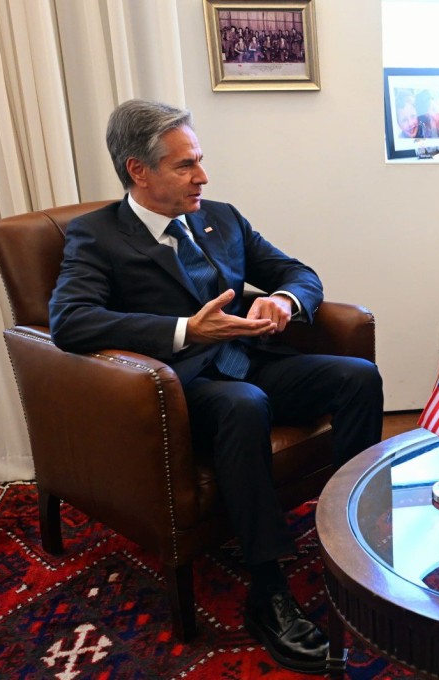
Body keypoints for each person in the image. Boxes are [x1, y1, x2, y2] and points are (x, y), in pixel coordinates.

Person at [49, 99, 384, 674]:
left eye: (200, 160)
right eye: (185, 166)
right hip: (177, 389)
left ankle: (352, 537)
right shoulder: (95, 237)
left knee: (358, 378)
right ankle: (268, 588)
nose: (202, 176)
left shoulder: (221, 217)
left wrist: (284, 300)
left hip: (250, 358)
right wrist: (183, 330)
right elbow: (69, 320)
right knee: (243, 405)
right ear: (138, 170)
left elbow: (297, 273)